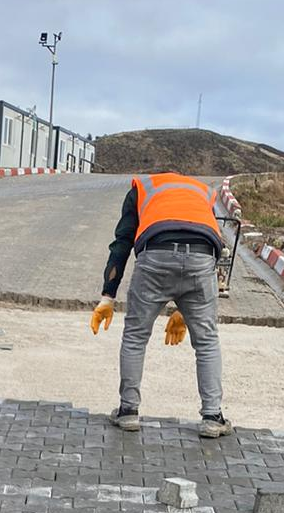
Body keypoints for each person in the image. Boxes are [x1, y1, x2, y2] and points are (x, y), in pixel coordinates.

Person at [91, 171, 232, 437]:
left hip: (155, 256)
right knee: (207, 341)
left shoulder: (142, 188)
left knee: (135, 336)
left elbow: (122, 242)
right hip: (201, 260)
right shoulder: (201, 191)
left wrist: (108, 296)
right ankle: (213, 417)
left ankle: (128, 411)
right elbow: (212, 241)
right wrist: (186, 308)